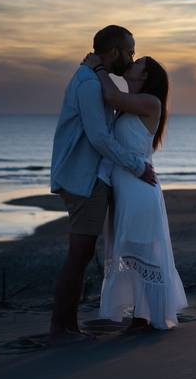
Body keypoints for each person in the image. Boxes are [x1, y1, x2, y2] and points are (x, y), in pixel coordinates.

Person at [49, 25, 156, 345]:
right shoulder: (87, 83)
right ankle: (61, 330)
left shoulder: (93, 77)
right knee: (79, 255)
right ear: (114, 52)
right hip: (84, 180)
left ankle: (67, 327)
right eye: (130, 51)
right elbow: (98, 137)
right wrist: (137, 166)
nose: (132, 57)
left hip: (90, 178)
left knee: (81, 255)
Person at [83, 53, 188, 332]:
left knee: (142, 251)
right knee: (129, 251)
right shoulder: (129, 108)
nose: (133, 62)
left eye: (139, 61)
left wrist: (99, 67)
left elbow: (112, 96)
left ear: (145, 76)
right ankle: (140, 317)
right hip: (125, 188)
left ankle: (150, 318)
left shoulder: (149, 103)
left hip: (139, 189)